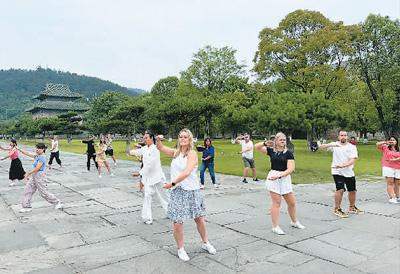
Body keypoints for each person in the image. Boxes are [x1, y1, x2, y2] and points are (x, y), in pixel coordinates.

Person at [157, 129, 216, 261]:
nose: (182, 139)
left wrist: (171, 183)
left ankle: (206, 242)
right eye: (180, 137)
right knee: (177, 221)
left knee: (199, 218)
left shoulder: (192, 153)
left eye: (185, 137)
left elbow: (187, 171)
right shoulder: (175, 153)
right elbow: (160, 147)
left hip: (192, 190)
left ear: (189, 139)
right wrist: (158, 139)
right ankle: (181, 249)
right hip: (178, 192)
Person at [255, 132, 305, 235]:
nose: (283, 141)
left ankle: (294, 221)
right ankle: (275, 226)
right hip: (273, 177)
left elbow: (291, 168)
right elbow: (256, 147)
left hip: (284, 177)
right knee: (276, 203)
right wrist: (265, 143)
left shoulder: (288, 153)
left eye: (284, 140)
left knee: (292, 202)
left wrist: (280, 175)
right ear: (276, 141)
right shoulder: (271, 151)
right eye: (280, 140)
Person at [319, 130, 363, 218]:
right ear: (338, 137)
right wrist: (330, 145)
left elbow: (352, 160)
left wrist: (343, 165)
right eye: (341, 135)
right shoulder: (335, 144)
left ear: (347, 137)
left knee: (352, 190)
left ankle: (352, 207)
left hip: (348, 171)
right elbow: (321, 147)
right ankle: (337, 209)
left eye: (345, 135)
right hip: (336, 171)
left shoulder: (352, 147)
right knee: (340, 189)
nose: (343, 137)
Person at [127, 132, 169, 224]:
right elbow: (138, 152)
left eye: (146, 138)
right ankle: (147, 218)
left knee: (164, 195)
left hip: (158, 177)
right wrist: (130, 152)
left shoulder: (155, 149)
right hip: (149, 178)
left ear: (151, 138)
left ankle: (170, 212)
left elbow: (150, 165)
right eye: (144, 138)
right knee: (147, 196)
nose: (144, 139)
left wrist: (139, 173)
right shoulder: (145, 148)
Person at [17, 143, 63, 213]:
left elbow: (37, 168)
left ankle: (57, 202)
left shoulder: (42, 157)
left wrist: (28, 173)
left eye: (38, 148)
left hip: (40, 176)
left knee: (43, 192)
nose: (37, 150)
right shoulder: (37, 156)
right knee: (28, 190)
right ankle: (26, 207)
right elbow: (28, 154)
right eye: (36, 148)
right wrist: (19, 149)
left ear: (43, 149)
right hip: (34, 176)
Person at [377, 136, 400, 204]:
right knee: (390, 182)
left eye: (393, 140)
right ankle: (392, 197)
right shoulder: (385, 147)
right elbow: (377, 144)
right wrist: (385, 142)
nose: (392, 141)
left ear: (396, 142)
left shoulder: (398, 149)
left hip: (398, 167)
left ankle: (397, 196)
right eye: (390, 140)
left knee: (398, 183)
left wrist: (394, 160)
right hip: (388, 167)